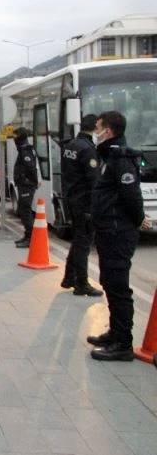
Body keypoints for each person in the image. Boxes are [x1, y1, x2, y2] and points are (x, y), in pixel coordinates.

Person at [86, 111, 151, 361]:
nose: (95, 132)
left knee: (118, 286)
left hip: (117, 232)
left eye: (98, 128)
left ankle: (123, 343)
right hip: (108, 231)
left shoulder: (121, 160)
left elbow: (131, 195)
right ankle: (115, 332)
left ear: (108, 131)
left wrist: (139, 219)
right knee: (110, 282)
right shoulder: (110, 157)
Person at [59, 114, 103, 297]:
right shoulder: (88, 149)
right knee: (83, 244)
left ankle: (69, 277)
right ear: (95, 128)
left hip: (71, 199)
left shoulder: (70, 145)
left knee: (78, 240)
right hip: (84, 203)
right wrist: (95, 206)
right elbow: (94, 181)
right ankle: (82, 283)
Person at [13, 128, 38, 248]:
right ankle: (27, 235)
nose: (14, 139)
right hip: (24, 184)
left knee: (25, 211)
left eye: (15, 136)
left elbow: (31, 168)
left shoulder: (25, 151)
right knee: (22, 210)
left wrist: (34, 181)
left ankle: (31, 237)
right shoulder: (23, 149)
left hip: (26, 185)